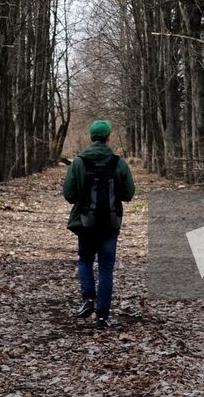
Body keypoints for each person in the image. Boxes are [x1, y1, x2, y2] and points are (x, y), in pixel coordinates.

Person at [62, 119, 136, 329]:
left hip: (85, 222)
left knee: (85, 260)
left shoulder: (78, 162)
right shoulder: (118, 163)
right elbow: (129, 194)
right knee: (106, 269)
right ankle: (103, 317)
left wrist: (84, 198)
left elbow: (68, 194)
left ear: (91, 137)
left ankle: (88, 299)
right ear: (108, 137)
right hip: (110, 224)